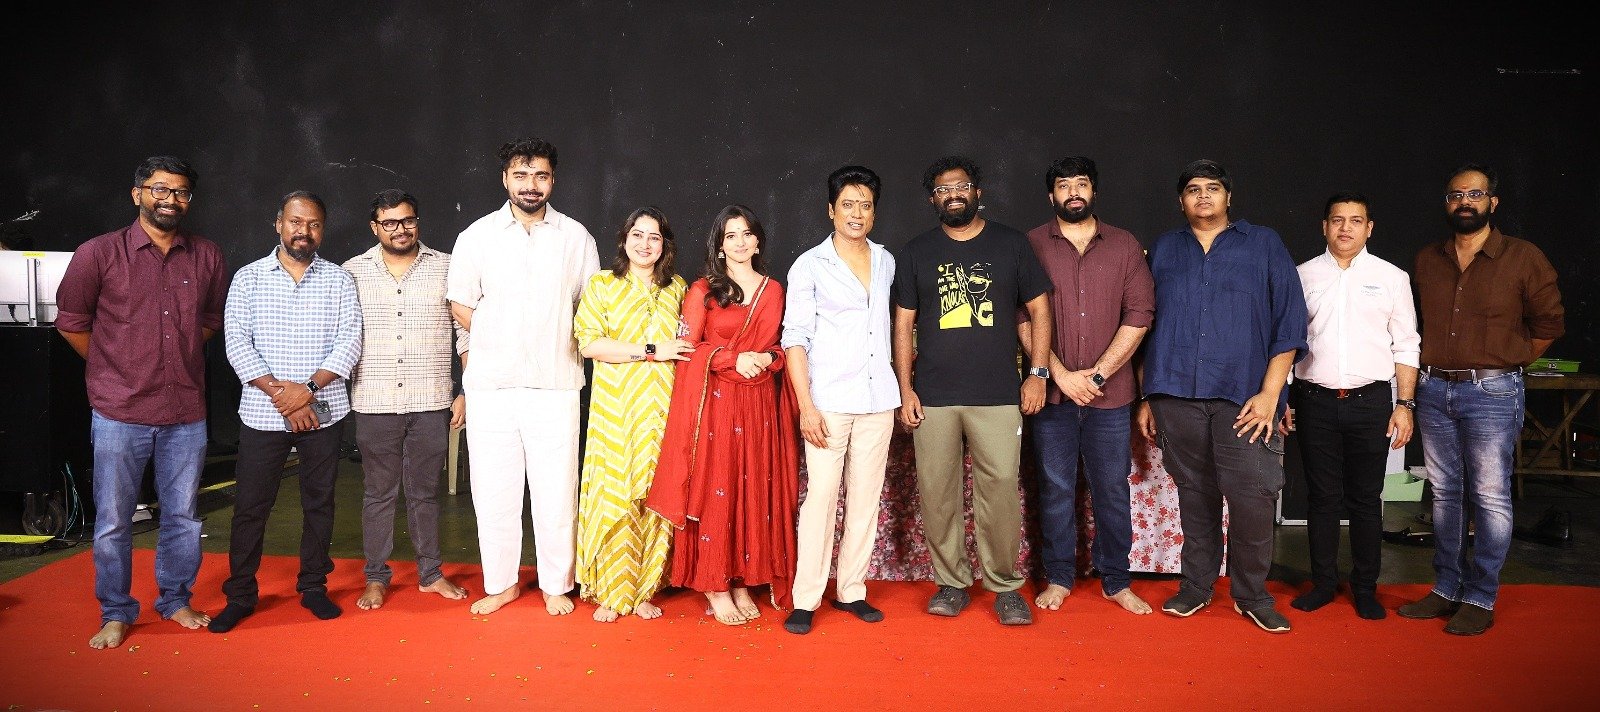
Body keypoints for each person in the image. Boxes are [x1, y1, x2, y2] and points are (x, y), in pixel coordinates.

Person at [54, 156, 228, 648]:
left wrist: (178, 354)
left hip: (185, 411)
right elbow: (71, 322)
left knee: (183, 518)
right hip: (119, 411)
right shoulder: (98, 253)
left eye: (180, 192)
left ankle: (175, 599)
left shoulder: (207, 255)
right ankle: (116, 611)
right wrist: (113, 364)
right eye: (159, 189)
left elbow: (211, 319)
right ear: (138, 194)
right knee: (113, 522)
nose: (170, 200)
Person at [1135, 159, 1307, 634]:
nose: (1203, 196)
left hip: (1246, 398)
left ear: (1229, 196)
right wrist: (1148, 395)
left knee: (1253, 499)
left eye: (1212, 188)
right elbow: (1145, 323)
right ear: (1181, 201)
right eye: (1193, 189)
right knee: (1195, 496)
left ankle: (1251, 595)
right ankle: (1196, 586)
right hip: (1175, 394)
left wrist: (1271, 393)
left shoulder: (1264, 244)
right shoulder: (1164, 249)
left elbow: (1289, 321)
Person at [1398, 163, 1563, 635]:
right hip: (1433, 389)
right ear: (1447, 203)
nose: (1464, 202)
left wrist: (1506, 362)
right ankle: (1446, 588)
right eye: (1456, 195)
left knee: (1489, 495)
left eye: (1474, 194)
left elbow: (1549, 325)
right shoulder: (1428, 258)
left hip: (1492, 391)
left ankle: (1480, 596)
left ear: (1493, 202)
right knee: (1445, 493)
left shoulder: (1523, 257)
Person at [892, 156, 1054, 626]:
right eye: (943, 190)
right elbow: (902, 324)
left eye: (961, 186)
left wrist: (1038, 373)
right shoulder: (917, 251)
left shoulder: (1011, 244)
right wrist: (906, 388)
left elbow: (1040, 310)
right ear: (933, 199)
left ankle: (1005, 586)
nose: (953, 195)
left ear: (977, 193)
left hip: (998, 394)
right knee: (937, 494)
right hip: (934, 396)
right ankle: (951, 583)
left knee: (999, 491)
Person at [447, 137, 601, 616]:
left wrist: (548, 337)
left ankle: (557, 583)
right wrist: (499, 336)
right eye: (521, 175)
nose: (530, 185)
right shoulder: (477, 236)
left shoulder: (576, 238)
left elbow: (590, 306)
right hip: (492, 385)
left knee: (557, 491)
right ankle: (501, 583)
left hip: (556, 383)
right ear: (505, 179)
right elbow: (459, 303)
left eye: (540, 176)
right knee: (494, 490)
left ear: (552, 180)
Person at [211, 190, 362, 633]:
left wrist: (308, 391)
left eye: (313, 224)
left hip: (323, 409)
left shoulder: (338, 280)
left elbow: (350, 341)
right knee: (251, 506)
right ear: (279, 224)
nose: (304, 231)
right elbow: (237, 343)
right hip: (264, 412)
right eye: (296, 222)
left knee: (319, 502)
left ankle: (313, 586)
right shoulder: (249, 278)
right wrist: (285, 397)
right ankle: (241, 594)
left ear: (322, 231)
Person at [646, 205, 799, 626]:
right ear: (719, 244)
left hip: (758, 404)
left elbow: (780, 346)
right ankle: (715, 584)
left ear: (758, 241)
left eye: (747, 233)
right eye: (731, 235)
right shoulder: (703, 290)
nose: (740, 242)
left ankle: (742, 579)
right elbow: (688, 348)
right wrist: (735, 358)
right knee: (720, 489)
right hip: (715, 405)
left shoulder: (773, 290)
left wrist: (766, 358)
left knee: (751, 490)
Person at [1019, 157, 1155, 616]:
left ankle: (1117, 580)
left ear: (1093, 191)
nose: (1073, 192)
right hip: (1053, 395)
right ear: (1051, 195)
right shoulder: (1032, 244)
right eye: (1063, 185)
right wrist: (1057, 374)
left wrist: (1096, 376)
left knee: (1112, 489)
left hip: (1109, 397)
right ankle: (1059, 577)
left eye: (1081, 184)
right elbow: (1022, 315)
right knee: (1055, 489)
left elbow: (1140, 314)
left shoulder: (1125, 245)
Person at [1283, 192, 1419, 620]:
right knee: (1321, 498)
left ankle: (1365, 589)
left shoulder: (1392, 277)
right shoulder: (1300, 275)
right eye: (1337, 220)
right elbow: (1285, 340)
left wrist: (1405, 404)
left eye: (1355, 220)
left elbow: (1407, 343)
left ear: (1369, 228)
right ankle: (1323, 584)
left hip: (1371, 402)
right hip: (1313, 401)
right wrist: (1283, 395)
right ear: (1324, 226)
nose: (1346, 228)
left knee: (1365, 498)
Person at [781, 166, 900, 635]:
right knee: (821, 499)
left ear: (874, 212)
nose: (857, 213)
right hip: (828, 401)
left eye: (865, 205)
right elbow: (795, 339)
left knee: (865, 500)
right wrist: (806, 407)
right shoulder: (810, 265)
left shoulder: (886, 261)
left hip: (878, 398)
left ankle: (852, 590)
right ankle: (806, 598)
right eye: (848, 204)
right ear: (831, 210)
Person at [342, 189, 469, 611]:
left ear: (418, 221)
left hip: (430, 400)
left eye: (408, 220)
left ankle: (430, 574)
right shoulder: (352, 272)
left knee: (425, 494)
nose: (400, 229)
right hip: (374, 400)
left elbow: (465, 331)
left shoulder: (447, 267)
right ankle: (376, 577)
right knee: (378, 493)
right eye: (390, 222)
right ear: (375, 227)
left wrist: (466, 390)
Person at [573, 206, 693, 622]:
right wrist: (651, 351)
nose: (645, 244)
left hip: (664, 409)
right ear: (624, 240)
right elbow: (589, 344)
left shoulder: (677, 288)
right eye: (638, 235)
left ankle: (644, 589)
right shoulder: (603, 284)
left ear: (665, 245)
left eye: (654, 237)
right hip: (617, 411)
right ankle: (611, 590)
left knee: (656, 496)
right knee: (616, 495)